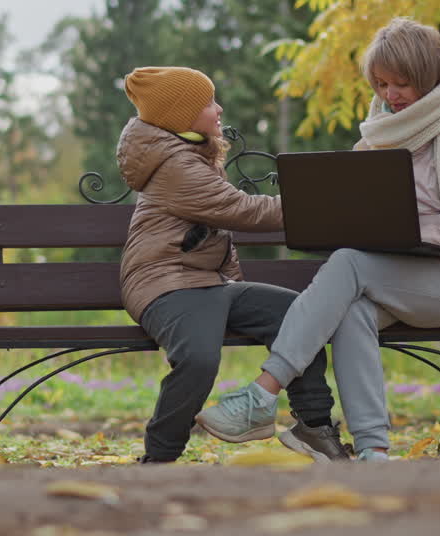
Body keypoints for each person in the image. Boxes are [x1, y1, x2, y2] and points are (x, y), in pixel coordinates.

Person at [195, 18, 440, 461]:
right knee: (353, 308)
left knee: (351, 263)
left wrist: (424, 233)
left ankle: (262, 394)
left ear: (430, 77)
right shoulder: (376, 139)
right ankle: (373, 451)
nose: (390, 96)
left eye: (401, 83)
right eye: (381, 84)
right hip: (390, 274)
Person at [116, 66, 351, 464]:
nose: (218, 107)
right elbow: (238, 210)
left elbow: (214, 231)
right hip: (165, 284)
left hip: (207, 283)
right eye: (208, 102)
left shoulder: (190, 153)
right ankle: (159, 457)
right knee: (199, 359)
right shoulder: (176, 165)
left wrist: (233, 289)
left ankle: (314, 426)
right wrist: (322, 204)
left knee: (300, 316)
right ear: (180, 116)